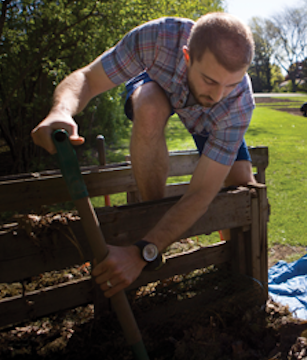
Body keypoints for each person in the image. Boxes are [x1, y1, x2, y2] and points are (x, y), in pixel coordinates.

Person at [30, 13, 256, 298]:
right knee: (149, 109)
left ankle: (226, 262)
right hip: (159, 83)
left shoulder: (237, 102)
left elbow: (200, 193)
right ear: (187, 56)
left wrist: (140, 253)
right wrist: (61, 111)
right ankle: (154, 228)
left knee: (241, 187)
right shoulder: (157, 39)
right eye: (210, 80)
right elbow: (88, 78)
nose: (219, 94)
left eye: (231, 84)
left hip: (210, 122)